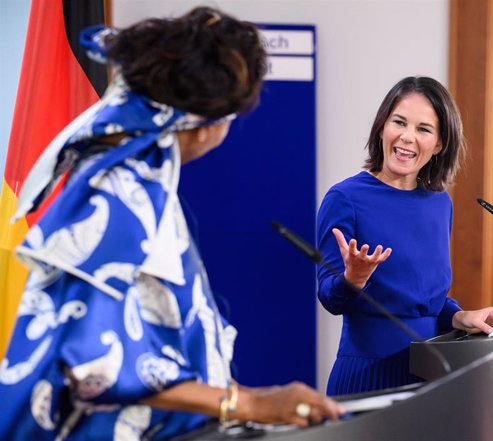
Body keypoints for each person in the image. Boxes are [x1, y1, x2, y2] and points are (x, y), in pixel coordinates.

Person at [0, 7, 342, 440]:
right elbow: (95, 366)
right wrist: (249, 403)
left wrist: (244, 398)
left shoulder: (144, 176)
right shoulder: (120, 191)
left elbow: (155, 342)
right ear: (204, 126)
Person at [317, 76, 493, 396]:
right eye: (399, 122)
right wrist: (353, 279)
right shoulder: (344, 198)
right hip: (368, 376)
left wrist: (461, 316)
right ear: (382, 126)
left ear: (439, 144)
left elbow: (426, 300)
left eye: (423, 129)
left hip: (430, 376)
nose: (407, 137)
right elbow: (330, 298)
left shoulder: (440, 204)